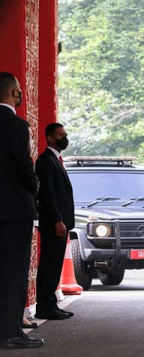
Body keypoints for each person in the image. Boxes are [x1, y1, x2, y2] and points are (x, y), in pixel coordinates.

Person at [0, 72, 43, 349]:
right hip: (14, 211)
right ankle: (10, 332)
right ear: (14, 92)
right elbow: (24, 169)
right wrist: (35, 185)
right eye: (18, 89)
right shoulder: (17, 126)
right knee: (13, 272)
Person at [35, 122, 75, 321]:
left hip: (61, 223)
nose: (64, 138)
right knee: (49, 265)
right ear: (50, 137)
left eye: (65, 134)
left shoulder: (56, 160)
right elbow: (47, 194)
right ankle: (45, 305)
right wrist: (58, 219)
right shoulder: (45, 161)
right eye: (60, 135)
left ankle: (51, 304)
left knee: (54, 265)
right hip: (54, 224)